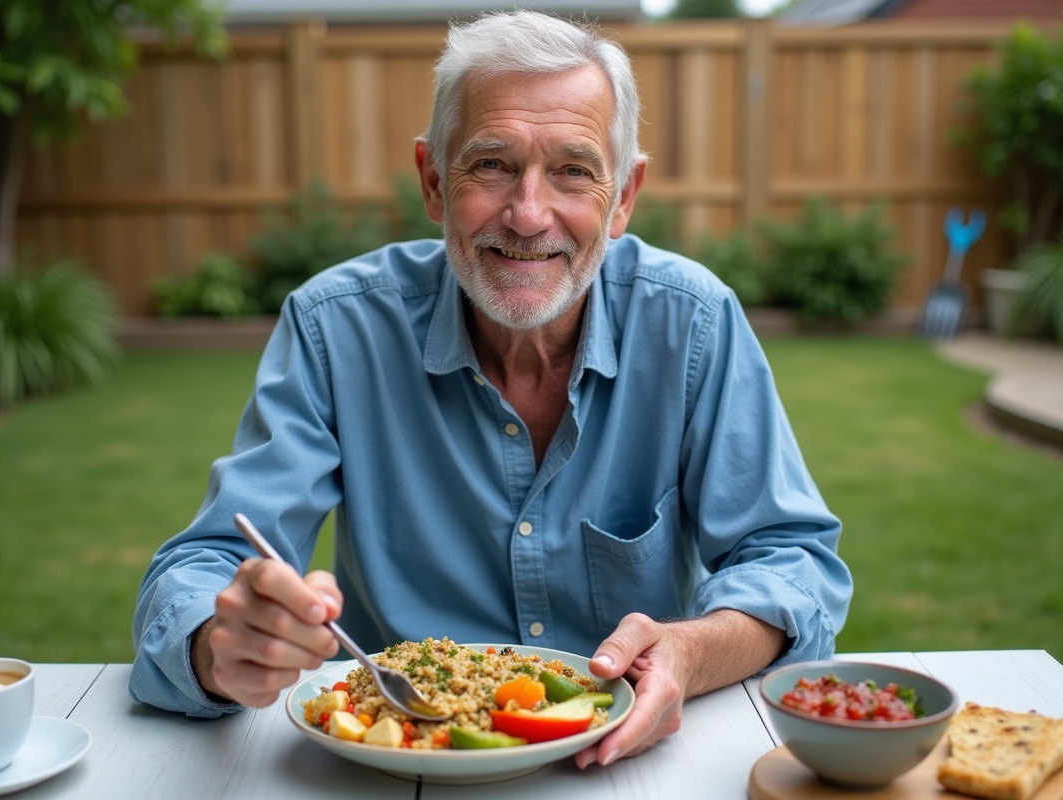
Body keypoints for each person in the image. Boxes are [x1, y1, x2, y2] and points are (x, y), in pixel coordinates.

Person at [130, 10, 852, 768]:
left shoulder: (692, 322)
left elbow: (791, 559)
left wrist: (691, 652)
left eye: (573, 169)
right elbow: (202, 566)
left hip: (635, 766)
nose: (529, 214)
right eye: (492, 165)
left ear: (624, 195)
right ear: (434, 182)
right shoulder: (334, 328)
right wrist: (221, 642)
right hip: (398, 763)